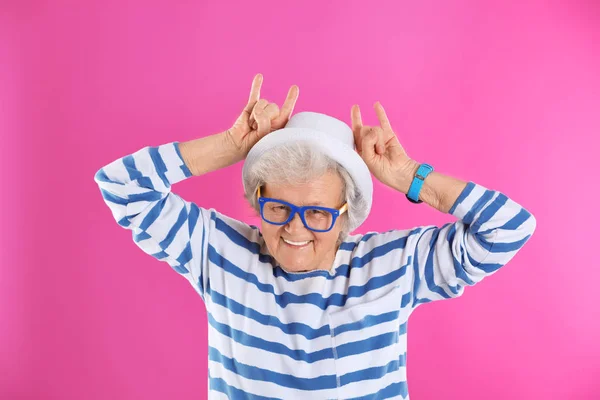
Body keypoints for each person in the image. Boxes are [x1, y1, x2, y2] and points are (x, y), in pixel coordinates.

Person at [94, 73, 536, 399]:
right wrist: (232, 144)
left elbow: (508, 228)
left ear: (347, 214)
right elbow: (121, 186)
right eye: (279, 208)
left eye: (318, 213)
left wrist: (406, 176)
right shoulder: (220, 252)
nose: (295, 229)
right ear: (258, 200)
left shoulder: (394, 265)